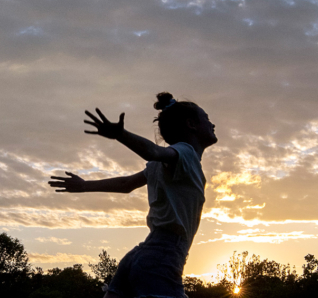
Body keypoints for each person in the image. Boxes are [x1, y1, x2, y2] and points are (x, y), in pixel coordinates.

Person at [49, 92, 217, 298]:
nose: (212, 124)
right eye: (207, 118)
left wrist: (84, 185)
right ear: (191, 124)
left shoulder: (163, 165)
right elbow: (153, 152)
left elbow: (127, 184)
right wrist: (121, 135)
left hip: (141, 255)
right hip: (163, 255)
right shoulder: (185, 153)